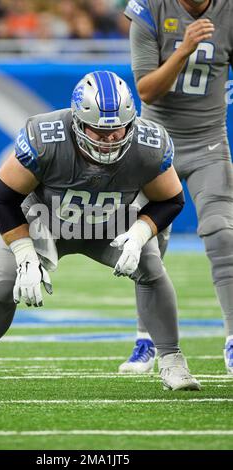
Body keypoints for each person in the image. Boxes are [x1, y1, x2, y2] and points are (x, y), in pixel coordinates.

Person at [0, 70, 200, 392]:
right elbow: (3, 198)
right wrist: (24, 255)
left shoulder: (148, 144)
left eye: (117, 129)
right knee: (4, 283)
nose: (111, 139)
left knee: (150, 267)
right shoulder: (45, 137)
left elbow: (171, 200)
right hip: (46, 222)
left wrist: (138, 235)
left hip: (112, 223)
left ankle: (172, 361)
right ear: (78, 122)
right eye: (99, 131)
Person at [119, 0, 233, 375]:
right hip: (156, 143)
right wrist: (183, 49)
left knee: (222, 234)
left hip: (209, 143)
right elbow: (147, 90)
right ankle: (145, 339)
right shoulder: (149, 9)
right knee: (148, 244)